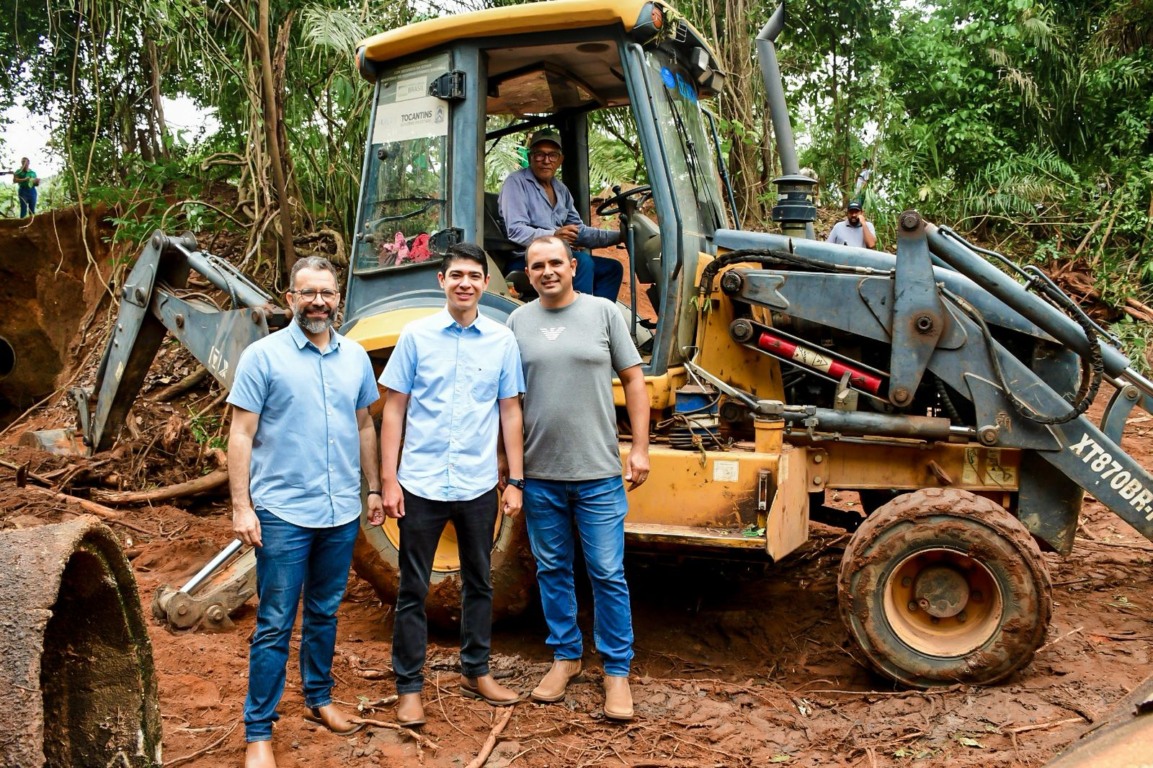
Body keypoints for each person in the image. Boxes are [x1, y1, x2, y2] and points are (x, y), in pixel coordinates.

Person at [227, 256, 383, 768]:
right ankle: (258, 732)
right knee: (274, 621)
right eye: (307, 292)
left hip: (340, 512)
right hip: (283, 514)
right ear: (290, 297)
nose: (318, 301)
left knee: (324, 611)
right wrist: (241, 506)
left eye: (327, 293)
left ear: (339, 299)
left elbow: (364, 425)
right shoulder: (263, 357)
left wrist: (376, 489)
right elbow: (242, 434)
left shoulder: (355, 357)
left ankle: (319, 699)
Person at [379, 242, 526, 727]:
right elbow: (394, 408)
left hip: (478, 485)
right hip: (419, 484)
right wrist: (389, 480)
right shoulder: (416, 336)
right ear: (441, 281)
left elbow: (509, 411)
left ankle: (476, 670)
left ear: (486, 284)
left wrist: (515, 480)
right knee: (413, 587)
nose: (465, 282)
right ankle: (409, 687)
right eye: (456, 274)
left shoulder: (501, 340)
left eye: (474, 275)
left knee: (479, 582)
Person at [506, 235, 650, 721]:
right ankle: (565, 657)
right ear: (528, 275)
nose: (547, 272)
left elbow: (634, 379)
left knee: (607, 573)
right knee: (552, 570)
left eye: (555, 263)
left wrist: (641, 448)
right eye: (537, 266)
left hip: (598, 474)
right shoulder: (516, 322)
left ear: (572, 266)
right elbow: (508, 402)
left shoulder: (604, 313)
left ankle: (616, 672)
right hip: (541, 474)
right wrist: (510, 469)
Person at [498, 130, 625, 302]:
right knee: (582, 263)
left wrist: (619, 237)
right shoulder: (516, 183)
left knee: (612, 268)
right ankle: (579, 321)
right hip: (525, 258)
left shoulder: (561, 189)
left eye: (552, 155)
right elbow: (516, 231)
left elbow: (578, 231)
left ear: (560, 160)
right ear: (530, 157)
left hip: (558, 257)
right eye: (539, 154)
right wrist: (554, 236)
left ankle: (600, 320)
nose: (546, 160)